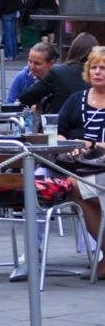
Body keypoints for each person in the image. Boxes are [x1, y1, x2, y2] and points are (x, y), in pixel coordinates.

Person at [57, 46, 105, 278]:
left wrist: (91, 146)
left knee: (75, 187)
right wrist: (69, 145)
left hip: (100, 167)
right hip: (75, 166)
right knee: (69, 186)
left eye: (103, 68)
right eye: (94, 67)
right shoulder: (76, 99)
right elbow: (58, 132)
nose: (98, 72)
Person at [18, 42, 88, 115]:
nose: (32, 67)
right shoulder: (23, 76)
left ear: (51, 63)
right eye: (30, 61)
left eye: (37, 63)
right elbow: (12, 102)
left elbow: (25, 98)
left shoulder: (58, 73)